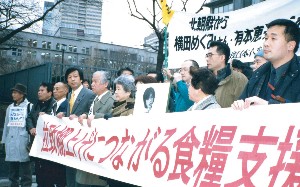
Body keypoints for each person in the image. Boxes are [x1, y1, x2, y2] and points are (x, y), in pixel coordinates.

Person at [232, 19, 300, 110]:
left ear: (290, 45)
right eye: (266, 38)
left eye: (273, 38)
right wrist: (240, 104)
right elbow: (245, 99)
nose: (266, 43)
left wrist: (269, 106)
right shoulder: (258, 74)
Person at [56, 67, 95, 187]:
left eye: (75, 76)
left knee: (80, 175)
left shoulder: (89, 94)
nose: (72, 79)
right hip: (70, 140)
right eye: (69, 77)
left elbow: (92, 114)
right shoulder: (69, 95)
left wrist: (81, 116)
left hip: (82, 140)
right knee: (70, 172)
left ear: (81, 78)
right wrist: (64, 115)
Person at [76, 71, 115, 187]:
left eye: (95, 81)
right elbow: (91, 114)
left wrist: (94, 117)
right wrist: (84, 115)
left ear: (105, 84)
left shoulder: (111, 100)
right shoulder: (96, 98)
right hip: (90, 148)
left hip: (99, 152)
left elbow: (112, 119)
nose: (92, 84)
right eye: (92, 81)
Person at [104, 74, 137, 187]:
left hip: (125, 159)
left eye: (119, 89)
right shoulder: (117, 105)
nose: (115, 92)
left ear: (128, 92)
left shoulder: (132, 109)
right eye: (115, 89)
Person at [26, 82, 58, 187]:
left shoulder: (54, 104)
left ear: (49, 92)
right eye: (39, 90)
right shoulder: (36, 104)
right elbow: (29, 117)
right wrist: (31, 128)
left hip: (49, 145)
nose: (39, 93)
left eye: (42, 90)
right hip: (36, 142)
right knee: (39, 170)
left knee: (48, 173)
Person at [1, 83, 32, 187]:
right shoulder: (10, 107)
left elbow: (31, 125)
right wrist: (4, 141)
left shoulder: (29, 106)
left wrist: (30, 142)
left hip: (23, 141)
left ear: (22, 94)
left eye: (15, 92)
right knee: (12, 170)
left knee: (25, 170)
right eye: (13, 92)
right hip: (11, 140)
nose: (13, 94)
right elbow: (6, 125)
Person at [206, 41, 248, 108]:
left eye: (210, 55)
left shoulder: (239, 79)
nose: (207, 59)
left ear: (222, 57)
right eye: (207, 56)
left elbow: (243, 107)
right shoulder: (205, 79)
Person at [51, 82, 69, 186]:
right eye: (54, 89)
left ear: (66, 90)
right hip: (54, 144)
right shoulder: (54, 104)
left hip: (62, 144)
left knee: (61, 175)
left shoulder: (67, 104)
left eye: (57, 89)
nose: (55, 91)